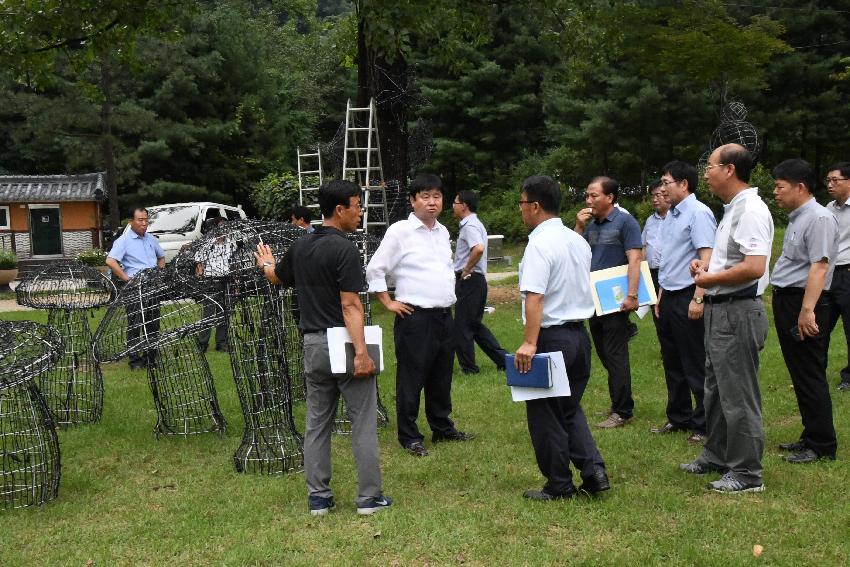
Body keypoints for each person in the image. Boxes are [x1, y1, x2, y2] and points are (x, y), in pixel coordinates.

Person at [254, 179, 391, 516]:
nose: (361, 212)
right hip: (343, 343)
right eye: (357, 205)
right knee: (361, 421)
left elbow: (277, 278)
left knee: (317, 423)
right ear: (340, 209)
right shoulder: (344, 249)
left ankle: (319, 498)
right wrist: (361, 352)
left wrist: (266, 265)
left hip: (313, 345)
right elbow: (351, 306)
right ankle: (369, 499)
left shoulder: (301, 246)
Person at [682, 143, 773, 494]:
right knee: (716, 391)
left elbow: (754, 266)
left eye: (711, 165)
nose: (705, 171)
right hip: (722, 310)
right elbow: (734, 261)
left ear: (730, 170)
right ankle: (717, 454)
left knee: (738, 394)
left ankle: (748, 474)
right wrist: (709, 268)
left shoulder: (750, 209)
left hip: (737, 310)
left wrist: (710, 280)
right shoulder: (732, 209)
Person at [514, 175, 609, 500]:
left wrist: (529, 342)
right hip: (579, 338)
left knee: (545, 414)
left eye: (522, 203)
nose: (521, 210)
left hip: (551, 338)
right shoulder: (576, 240)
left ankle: (558, 484)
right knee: (568, 408)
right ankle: (593, 471)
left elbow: (535, 297)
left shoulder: (540, 244)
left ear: (535, 206)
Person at [366, 173, 473, 457]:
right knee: (412, 377)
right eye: (425, 197)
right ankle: (409, 435)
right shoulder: (400, 231)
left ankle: (442, 427)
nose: (431, 202)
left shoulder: (443, 232)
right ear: (413, 200)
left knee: (441, 376)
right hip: (415, 317)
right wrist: (387, 302)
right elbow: (375, 268)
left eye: (436, 197)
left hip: (443, 316)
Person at [770, 158, 838, 464]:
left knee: (810, 372)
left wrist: (807, 310)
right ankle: (810, 435)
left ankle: (822, 444)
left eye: (779, 186)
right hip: (789, 300)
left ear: (800, 187)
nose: (775, 192)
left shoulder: (819, 218)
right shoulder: (799, 216)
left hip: (804, 301)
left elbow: (819, 266)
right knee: (800, 372)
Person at [650, 161, 716, 444]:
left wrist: (699, 297)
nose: (662, 188)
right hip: (668, 296)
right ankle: (679, 416)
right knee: (672, 360)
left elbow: (707, 257)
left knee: (694, 362)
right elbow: (670, 258)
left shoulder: (698, 213)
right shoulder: (671, 216)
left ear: (684, 184)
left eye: (666, 182)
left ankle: (704, 422)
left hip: (689, 295)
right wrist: (661, 293)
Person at [575, 176, 642, 428]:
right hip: (594, 300)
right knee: (605, 353)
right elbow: (576, 255)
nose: (588, 200)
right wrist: (579, 227)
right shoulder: (591, 226)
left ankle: (623, 411)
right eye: (587, 195)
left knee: (615, 354)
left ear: (610, 197)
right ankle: (619, 402)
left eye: (594, 195)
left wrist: (632, 295)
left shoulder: (626, 222)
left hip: (616, 301)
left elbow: (634, 260)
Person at [451, 190, 507, 374]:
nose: (453, 205)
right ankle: (503, 360)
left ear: (464, 205)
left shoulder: (470, 226)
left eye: (455, 202)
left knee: (462, 326)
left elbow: (478, 248)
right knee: (473, 325)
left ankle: (469, 368)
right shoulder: (474, 224)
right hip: (476, 281)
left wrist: (466, 270)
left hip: (470, 280)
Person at [106, 207, 166, 370]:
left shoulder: (151, 239)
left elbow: (161, 257)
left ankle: (151, 357)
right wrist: (126, 278)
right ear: (131, 221)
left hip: (152, 286)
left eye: (146, 220)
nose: (144, 223)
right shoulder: (124, 241)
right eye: (140, 220)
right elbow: (111, 261)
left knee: (153, 323)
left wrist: (160, 273)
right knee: (135, 324)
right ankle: (135, 360)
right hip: (134, 287)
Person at [824, 162, 850, 392]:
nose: (830, 185)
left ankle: (848, 378)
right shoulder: (828, 209)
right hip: (829, 273)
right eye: (828, 180)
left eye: (836, 180)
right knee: (820, 325)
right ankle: (815, 371)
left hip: (848, 272)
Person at [195, 217, 230, 353]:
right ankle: (202, 343)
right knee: (208, 314)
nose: (223, 229)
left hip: (226, 280)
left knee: (224, 313)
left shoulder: (230, 244)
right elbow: (199, 260)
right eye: (221, 226)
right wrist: (200, 270)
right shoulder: (209, 244)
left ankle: (221, 343)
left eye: (225, 227)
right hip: (210, 281)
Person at [642, 179, 669, 295]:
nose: (654, 199)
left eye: (658, 195)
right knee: (654, 307)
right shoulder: (650, 220)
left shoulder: (676, 218)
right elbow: (643, 245)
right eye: (652, 196)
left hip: (669, 273)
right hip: (651, 273)